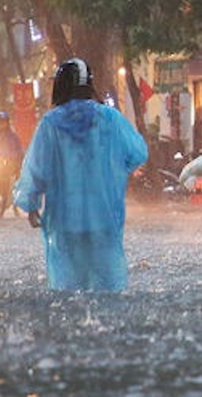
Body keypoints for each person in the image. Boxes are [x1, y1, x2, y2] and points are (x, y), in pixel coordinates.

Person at [14, 58, 148, 291]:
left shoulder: (50, 123)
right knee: (107, 292)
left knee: (68, 291)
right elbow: (138, 153)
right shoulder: (110, 118)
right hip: (104, 217)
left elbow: (36, 168)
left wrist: (31, 205)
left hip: (65, 221)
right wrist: (113, 171)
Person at [0, 111, 24, 210]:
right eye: (0, 122)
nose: (2, 124)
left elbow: (19, 150)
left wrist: (17, 159)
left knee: (12, 179)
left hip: (8, 165)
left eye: (4, 122)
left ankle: (10, 200)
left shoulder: (13, 137)